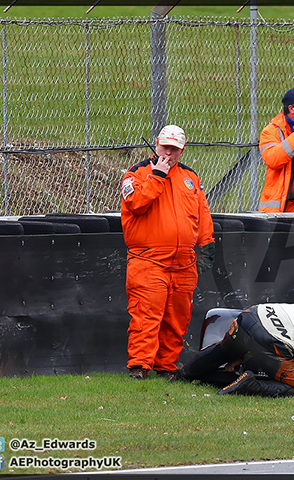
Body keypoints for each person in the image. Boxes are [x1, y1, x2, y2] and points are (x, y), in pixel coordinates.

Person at [120, 125, 215, 380]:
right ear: (156, 144)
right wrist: (157, 176)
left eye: (174, 149)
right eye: (165, 148)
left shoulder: (190, 177)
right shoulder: (136, 174)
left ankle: (166, 367)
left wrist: (206, 245)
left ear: (182, 150)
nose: (169, 153)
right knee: (146, 315)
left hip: (184, 261)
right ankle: (139, 366)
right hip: (148, 259)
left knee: (177, 318)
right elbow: (136, 204)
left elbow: (202, 213)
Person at [173, 303, 294, 397]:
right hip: (271, 338)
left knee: (223, 349)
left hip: (251, 314)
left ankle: (181, 377)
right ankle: (250, 384)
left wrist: (244, 354)